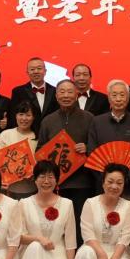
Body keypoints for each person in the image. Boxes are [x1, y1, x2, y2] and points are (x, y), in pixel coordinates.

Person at [15, 161, 77, 259]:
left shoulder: (67, 204)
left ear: (57, 180)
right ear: (35, 180)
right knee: (36, 247)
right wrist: (39, 239)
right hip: (31, 254)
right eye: (42, 177)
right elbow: (19, 237)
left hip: (57, 253)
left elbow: (70, 240)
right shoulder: (23, 204)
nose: (46, 181)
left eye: (51, 177)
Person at [86, 81, 130, 205]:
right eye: (114, 95)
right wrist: (107, 179)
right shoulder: (97, 122)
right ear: (108, 98)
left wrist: (125, 178)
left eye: (122, 95)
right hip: (103, 187)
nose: (118, 99)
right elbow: (92, 154)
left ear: (128, 98)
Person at [38, 79, 95, 217]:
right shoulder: (48, 120)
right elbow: (39, 150)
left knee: (79, 220)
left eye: (70, 92)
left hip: (82, 182)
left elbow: (98, 147)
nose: (66, 95)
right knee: (56, 220)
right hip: (54, 183)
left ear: (76, 95)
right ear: (56, 96)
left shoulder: (89, 118)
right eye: (62, 92)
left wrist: (87, 147)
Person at [0, 100, 40, 198]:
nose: (24, 118)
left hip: (32, 189)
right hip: (8, 189)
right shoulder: (5, 134)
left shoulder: (38, 137)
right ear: (16, 116)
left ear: (33, 117)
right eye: (21, 114)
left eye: (28, 115)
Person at [9, 56, 58, 130]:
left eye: (39, 68)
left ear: (45, 71)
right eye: (32, 69)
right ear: (27, 72)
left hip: (50, 132)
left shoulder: (55, 91)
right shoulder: (18, 91)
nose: (36, 71)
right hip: (27, 133)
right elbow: (13, 116)